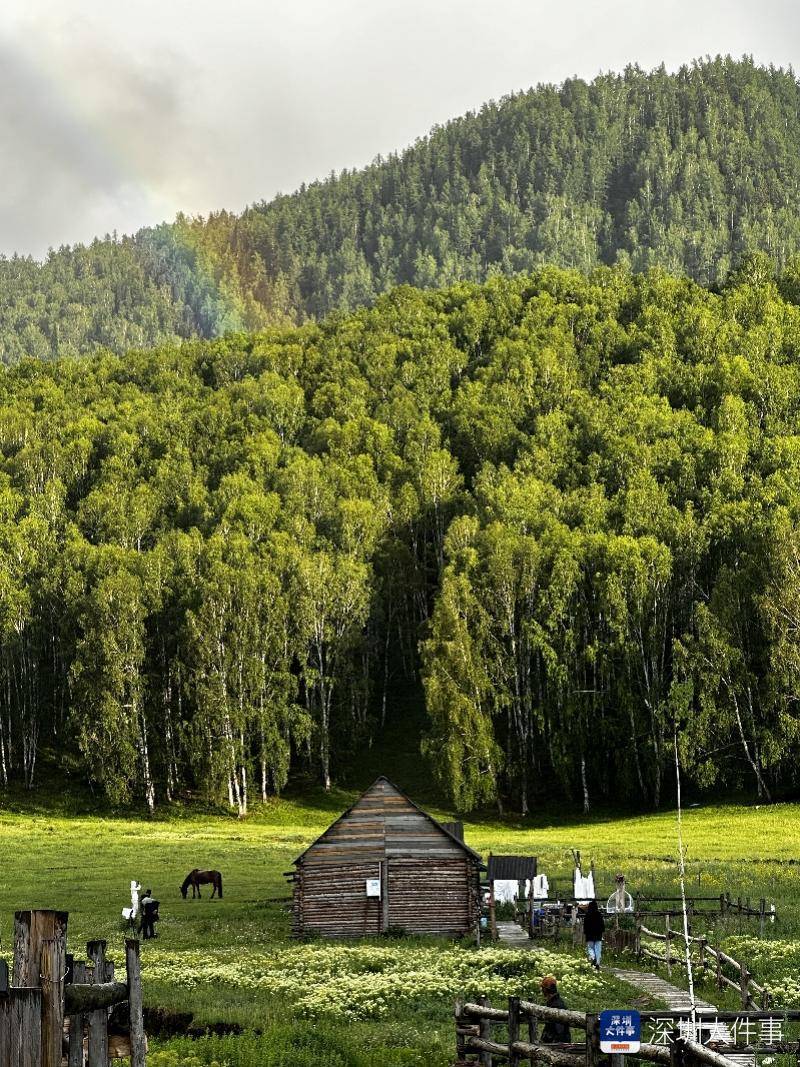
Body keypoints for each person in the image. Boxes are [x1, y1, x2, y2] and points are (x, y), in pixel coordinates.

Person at [539, 976, 571, 1043]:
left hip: (557, 1044)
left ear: (545, 989)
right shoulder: (553, 1002)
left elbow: (559, 1030)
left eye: (542, 988)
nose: (541, 990)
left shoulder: (557, 1005)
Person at [583, 899, 605, 970]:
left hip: (589, 934)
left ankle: (593, 958)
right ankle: (597, 963)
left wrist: (585, 932)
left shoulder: (587, 915)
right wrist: (602, 931)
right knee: (598, 949)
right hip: (598, 934)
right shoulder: (599, 915)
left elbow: (585, 925)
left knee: (590, 948)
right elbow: (602, 924)